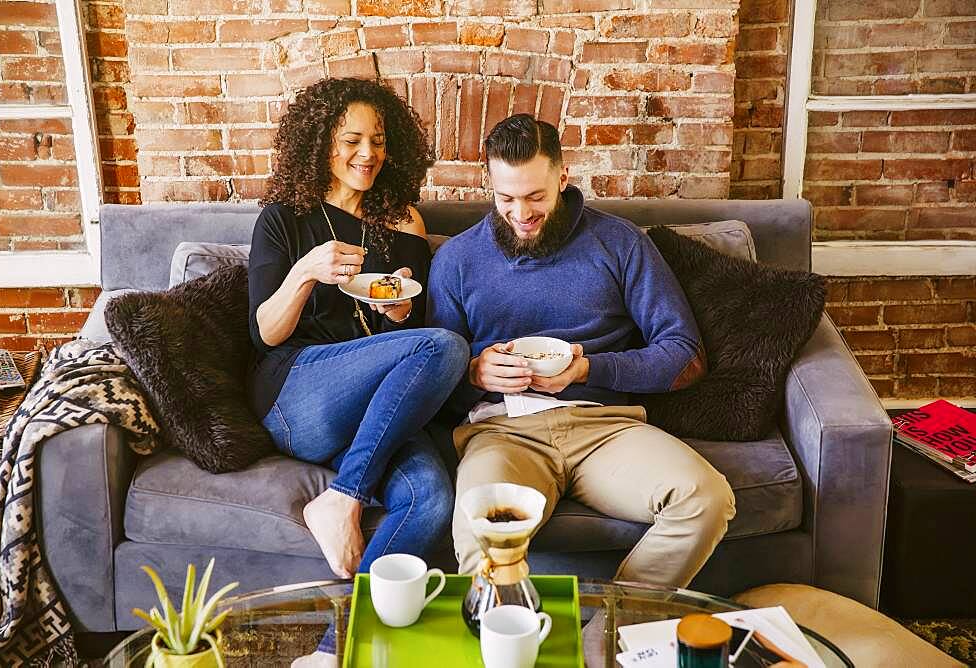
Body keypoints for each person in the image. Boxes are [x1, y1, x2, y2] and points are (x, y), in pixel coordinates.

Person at [427, 114, 736, 588]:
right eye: (506, 198)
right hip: (504, 433)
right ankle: (508, 646)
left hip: (604, 428)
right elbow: (427, 385)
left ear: (563, 177)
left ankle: (607, 635)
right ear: (489, 185)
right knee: (481, 529)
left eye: (536, 197)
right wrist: (473, 373)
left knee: (706, 498)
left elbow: (685, 356)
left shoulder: (619, 243)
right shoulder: (456, 260)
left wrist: (587, 368)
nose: (521, 213)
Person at [247, 77, 469, 584]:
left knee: (430, 498)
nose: (368, 154)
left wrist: (400, 314)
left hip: (378, 409)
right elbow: (266, 335)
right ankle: (345, 498)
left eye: (380, 141)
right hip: (297, 395)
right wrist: (305, 271)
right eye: (352, 141)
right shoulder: (284, 219)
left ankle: (341, 644)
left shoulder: (404, 222)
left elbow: (412, 326)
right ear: (320, 142)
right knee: (446, 347)